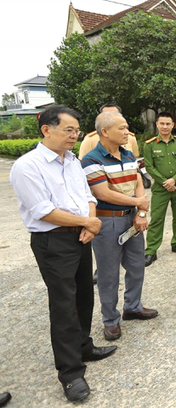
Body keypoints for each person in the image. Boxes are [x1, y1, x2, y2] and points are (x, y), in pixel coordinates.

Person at [10, 106, 117, 402]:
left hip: (81, 234)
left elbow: (86, 196)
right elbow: (43, 211)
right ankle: (70, 373)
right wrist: (87, 222)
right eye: (68, 130)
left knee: (84, 295)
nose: (74, 136)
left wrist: (90, 223)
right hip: (53, 242)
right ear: (47, 129)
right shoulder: (27, 166)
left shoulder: (72, 161)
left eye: (77, 131)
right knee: (63, 305)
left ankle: (84, 346)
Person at [81, 111, 158, 342]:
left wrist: (141, 212)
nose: (127, 132)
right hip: (107, 221)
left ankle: (132, 306)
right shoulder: (91, 160)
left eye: (127, 128)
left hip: (133, 218)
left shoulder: (128, 154)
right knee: (108, 273)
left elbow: (138, 183)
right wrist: (139, 203)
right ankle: (110, 320)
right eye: (122, 128)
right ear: (104, 132)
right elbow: (103, 193)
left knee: (136, 266)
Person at [142, 112, 176, 267]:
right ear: (157, 124)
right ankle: (151, 250)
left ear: (173, 124)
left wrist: (174, 179)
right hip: (160, 187)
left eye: (168, 124)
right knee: (156, 218)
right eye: (162, 123)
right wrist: (165, 182)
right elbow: (149, 167)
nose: (165, 127)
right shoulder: (149, 144)